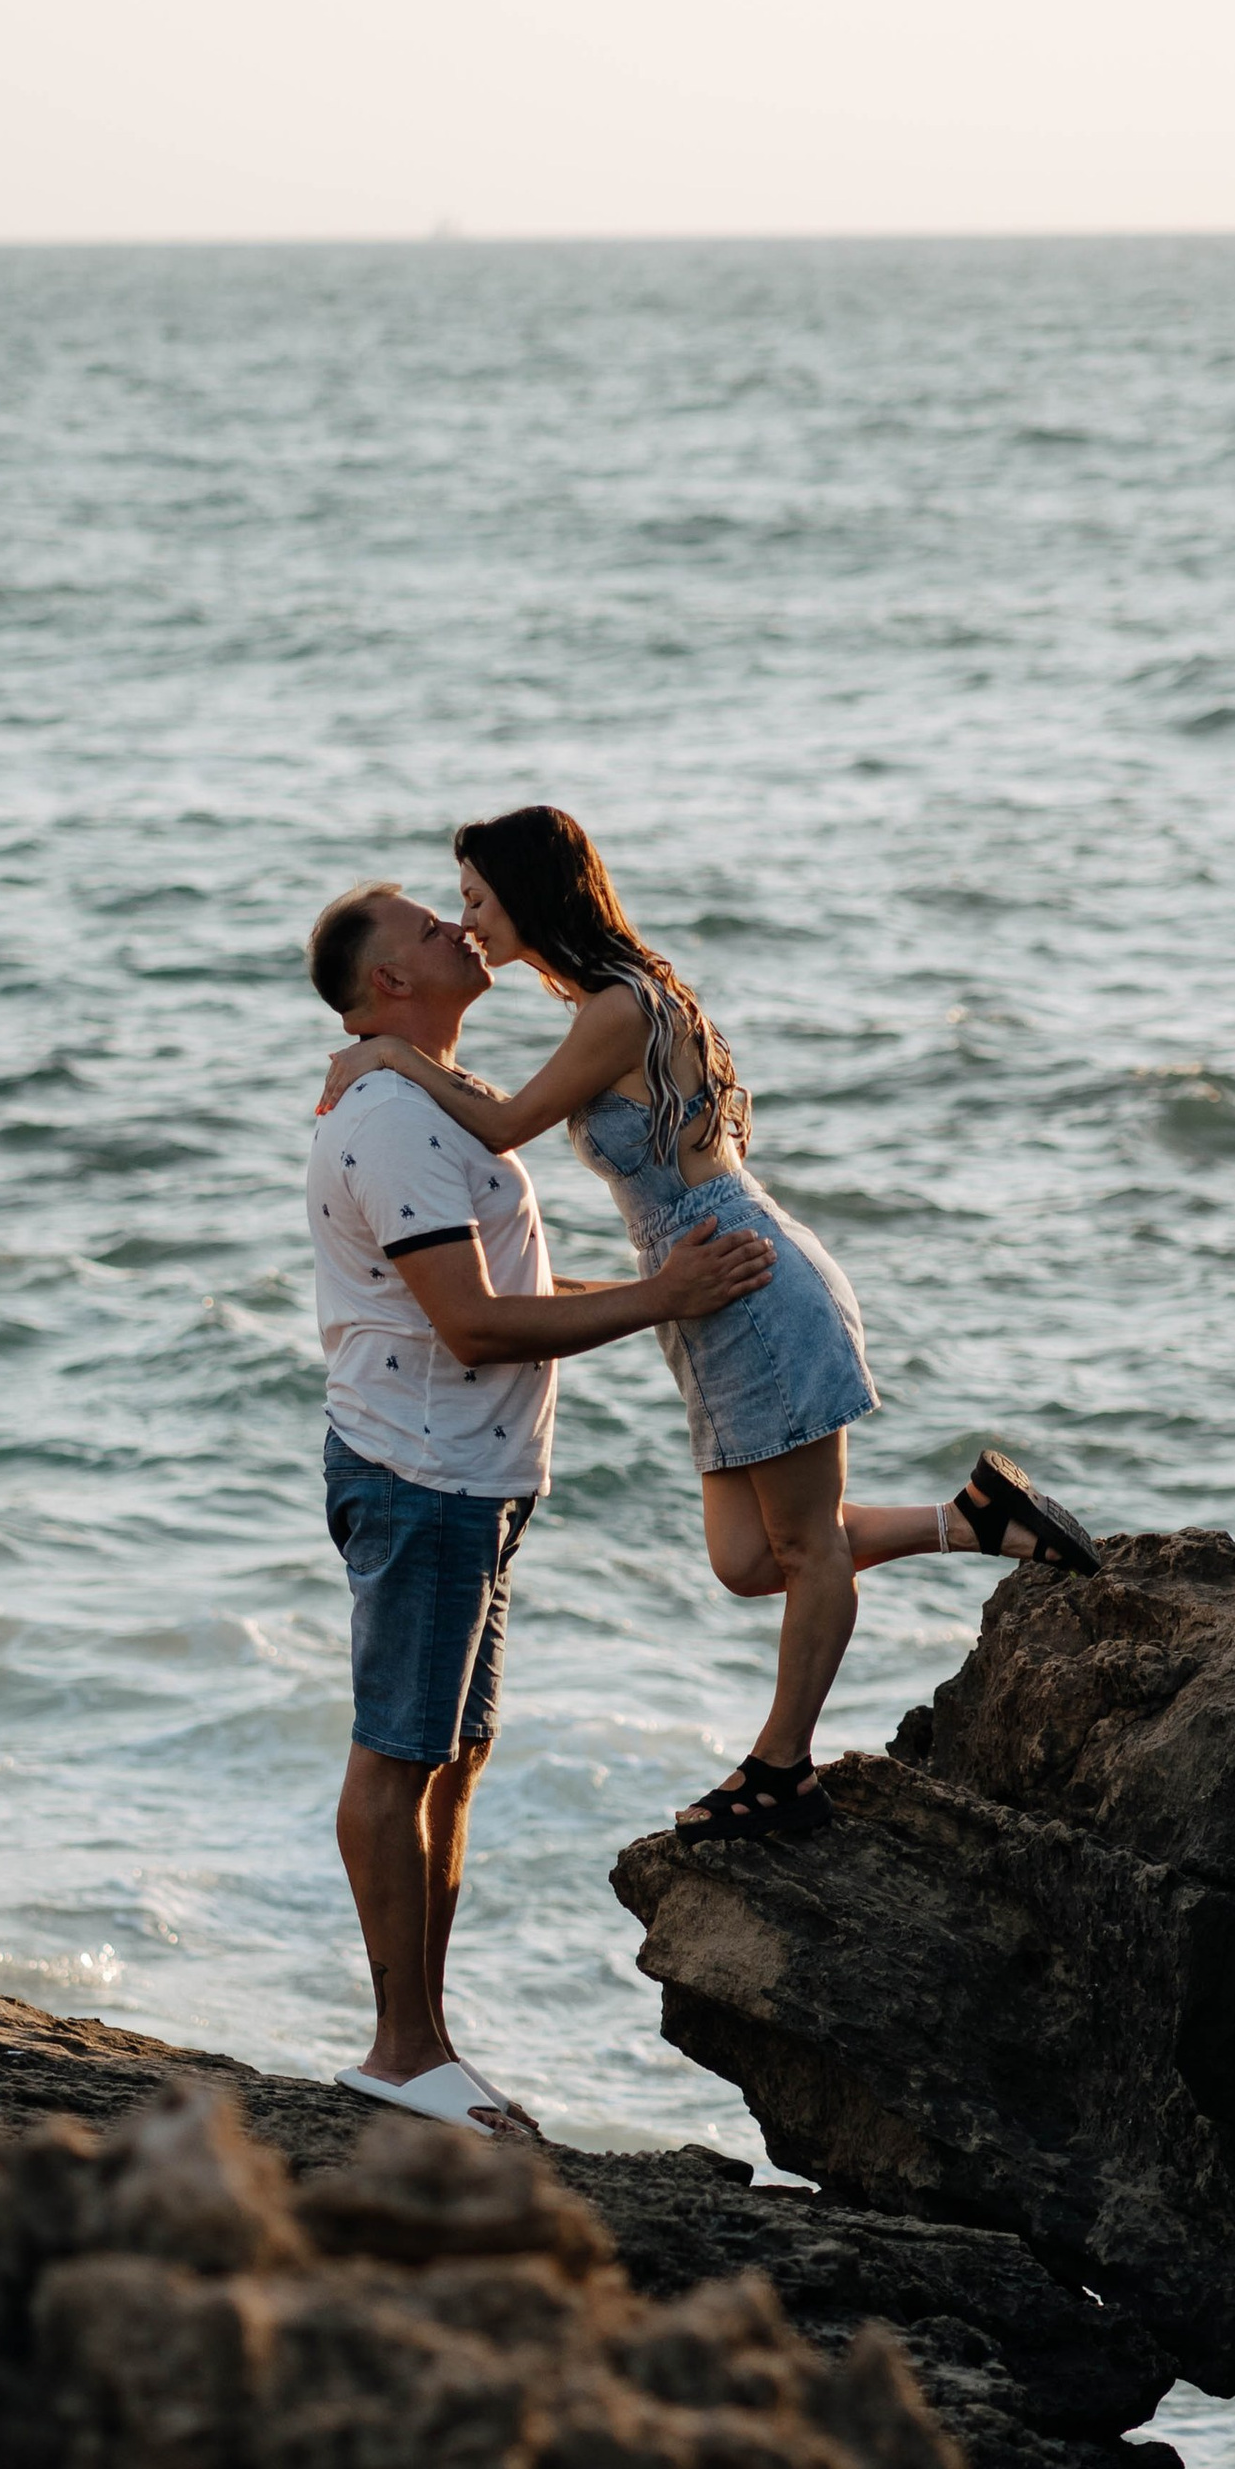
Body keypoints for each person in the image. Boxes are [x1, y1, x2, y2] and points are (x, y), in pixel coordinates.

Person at [319, 806, 1101, 1847]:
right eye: (452, 909)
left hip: (748, 1279)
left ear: (529, 894)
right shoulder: (606, 1000)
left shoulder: (615, 1004)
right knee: (745, 1560)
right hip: (702, 1289)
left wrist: (383, 1059)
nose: (467, 923)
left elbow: (504, 1125)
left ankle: (782, 1769)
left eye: (474, 899)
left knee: (807, 1546)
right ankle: (974, 1519)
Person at [305, 877, 775, 2138]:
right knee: (398, 1755)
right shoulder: (393, 1122)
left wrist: (660, 1286)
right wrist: (659, 1299)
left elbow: (499, 1285)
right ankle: (401, 2054)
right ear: (388, 983)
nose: (457, 930)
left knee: (450, 1761)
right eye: (425, 927)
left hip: (475, 1476)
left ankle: (427, 2043)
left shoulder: (426, 1106)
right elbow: (466, 1324)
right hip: (420, 1473)